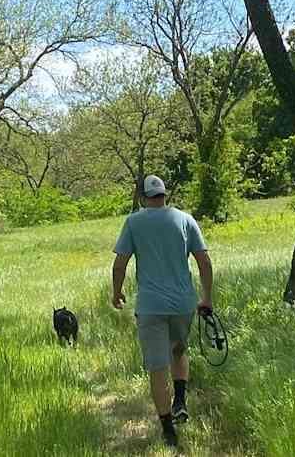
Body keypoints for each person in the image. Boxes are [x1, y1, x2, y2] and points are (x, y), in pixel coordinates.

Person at [111, 174, 213, 449]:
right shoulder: (185, 219)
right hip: (183, 303)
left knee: (157, 367)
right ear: (165, 195)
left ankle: (168, 429)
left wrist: (116, 292)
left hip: (150, 306)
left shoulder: (134, 222)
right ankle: (180, 400)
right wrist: (207, 297)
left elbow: (120, 264)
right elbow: (203, 260)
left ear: (143, 198)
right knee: (179, 350)